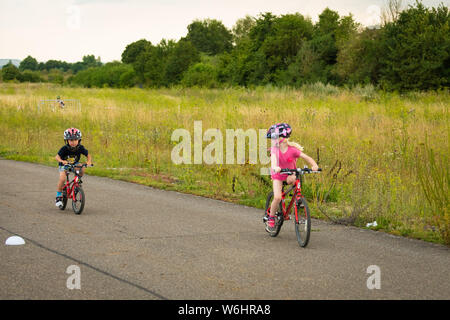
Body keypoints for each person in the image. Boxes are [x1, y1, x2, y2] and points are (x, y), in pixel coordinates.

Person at [265, 123, 319, 229]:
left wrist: (314, 165)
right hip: (278, 175)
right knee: (277, 197)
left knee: (293, 180)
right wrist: (276, 167)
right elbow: (274, 160)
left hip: (290, 173)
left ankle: (297, 201)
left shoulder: (292, 150)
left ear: (282, 138)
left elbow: (306, 157)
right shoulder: (275, 150)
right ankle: (271, 217)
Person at [55, 128, 92, 207]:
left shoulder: (80, 148)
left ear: (79, 140)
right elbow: (57, 157)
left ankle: (77, 183)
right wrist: (62, 161)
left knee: (82, 168)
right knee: (62, 179)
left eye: (75, 140)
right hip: (64, 165)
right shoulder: (64, 148)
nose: (73, 142)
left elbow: (88, 155)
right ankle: (58, 196)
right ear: (67, 141)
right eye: (71, 140)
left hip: (74, 164)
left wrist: (88, 162)